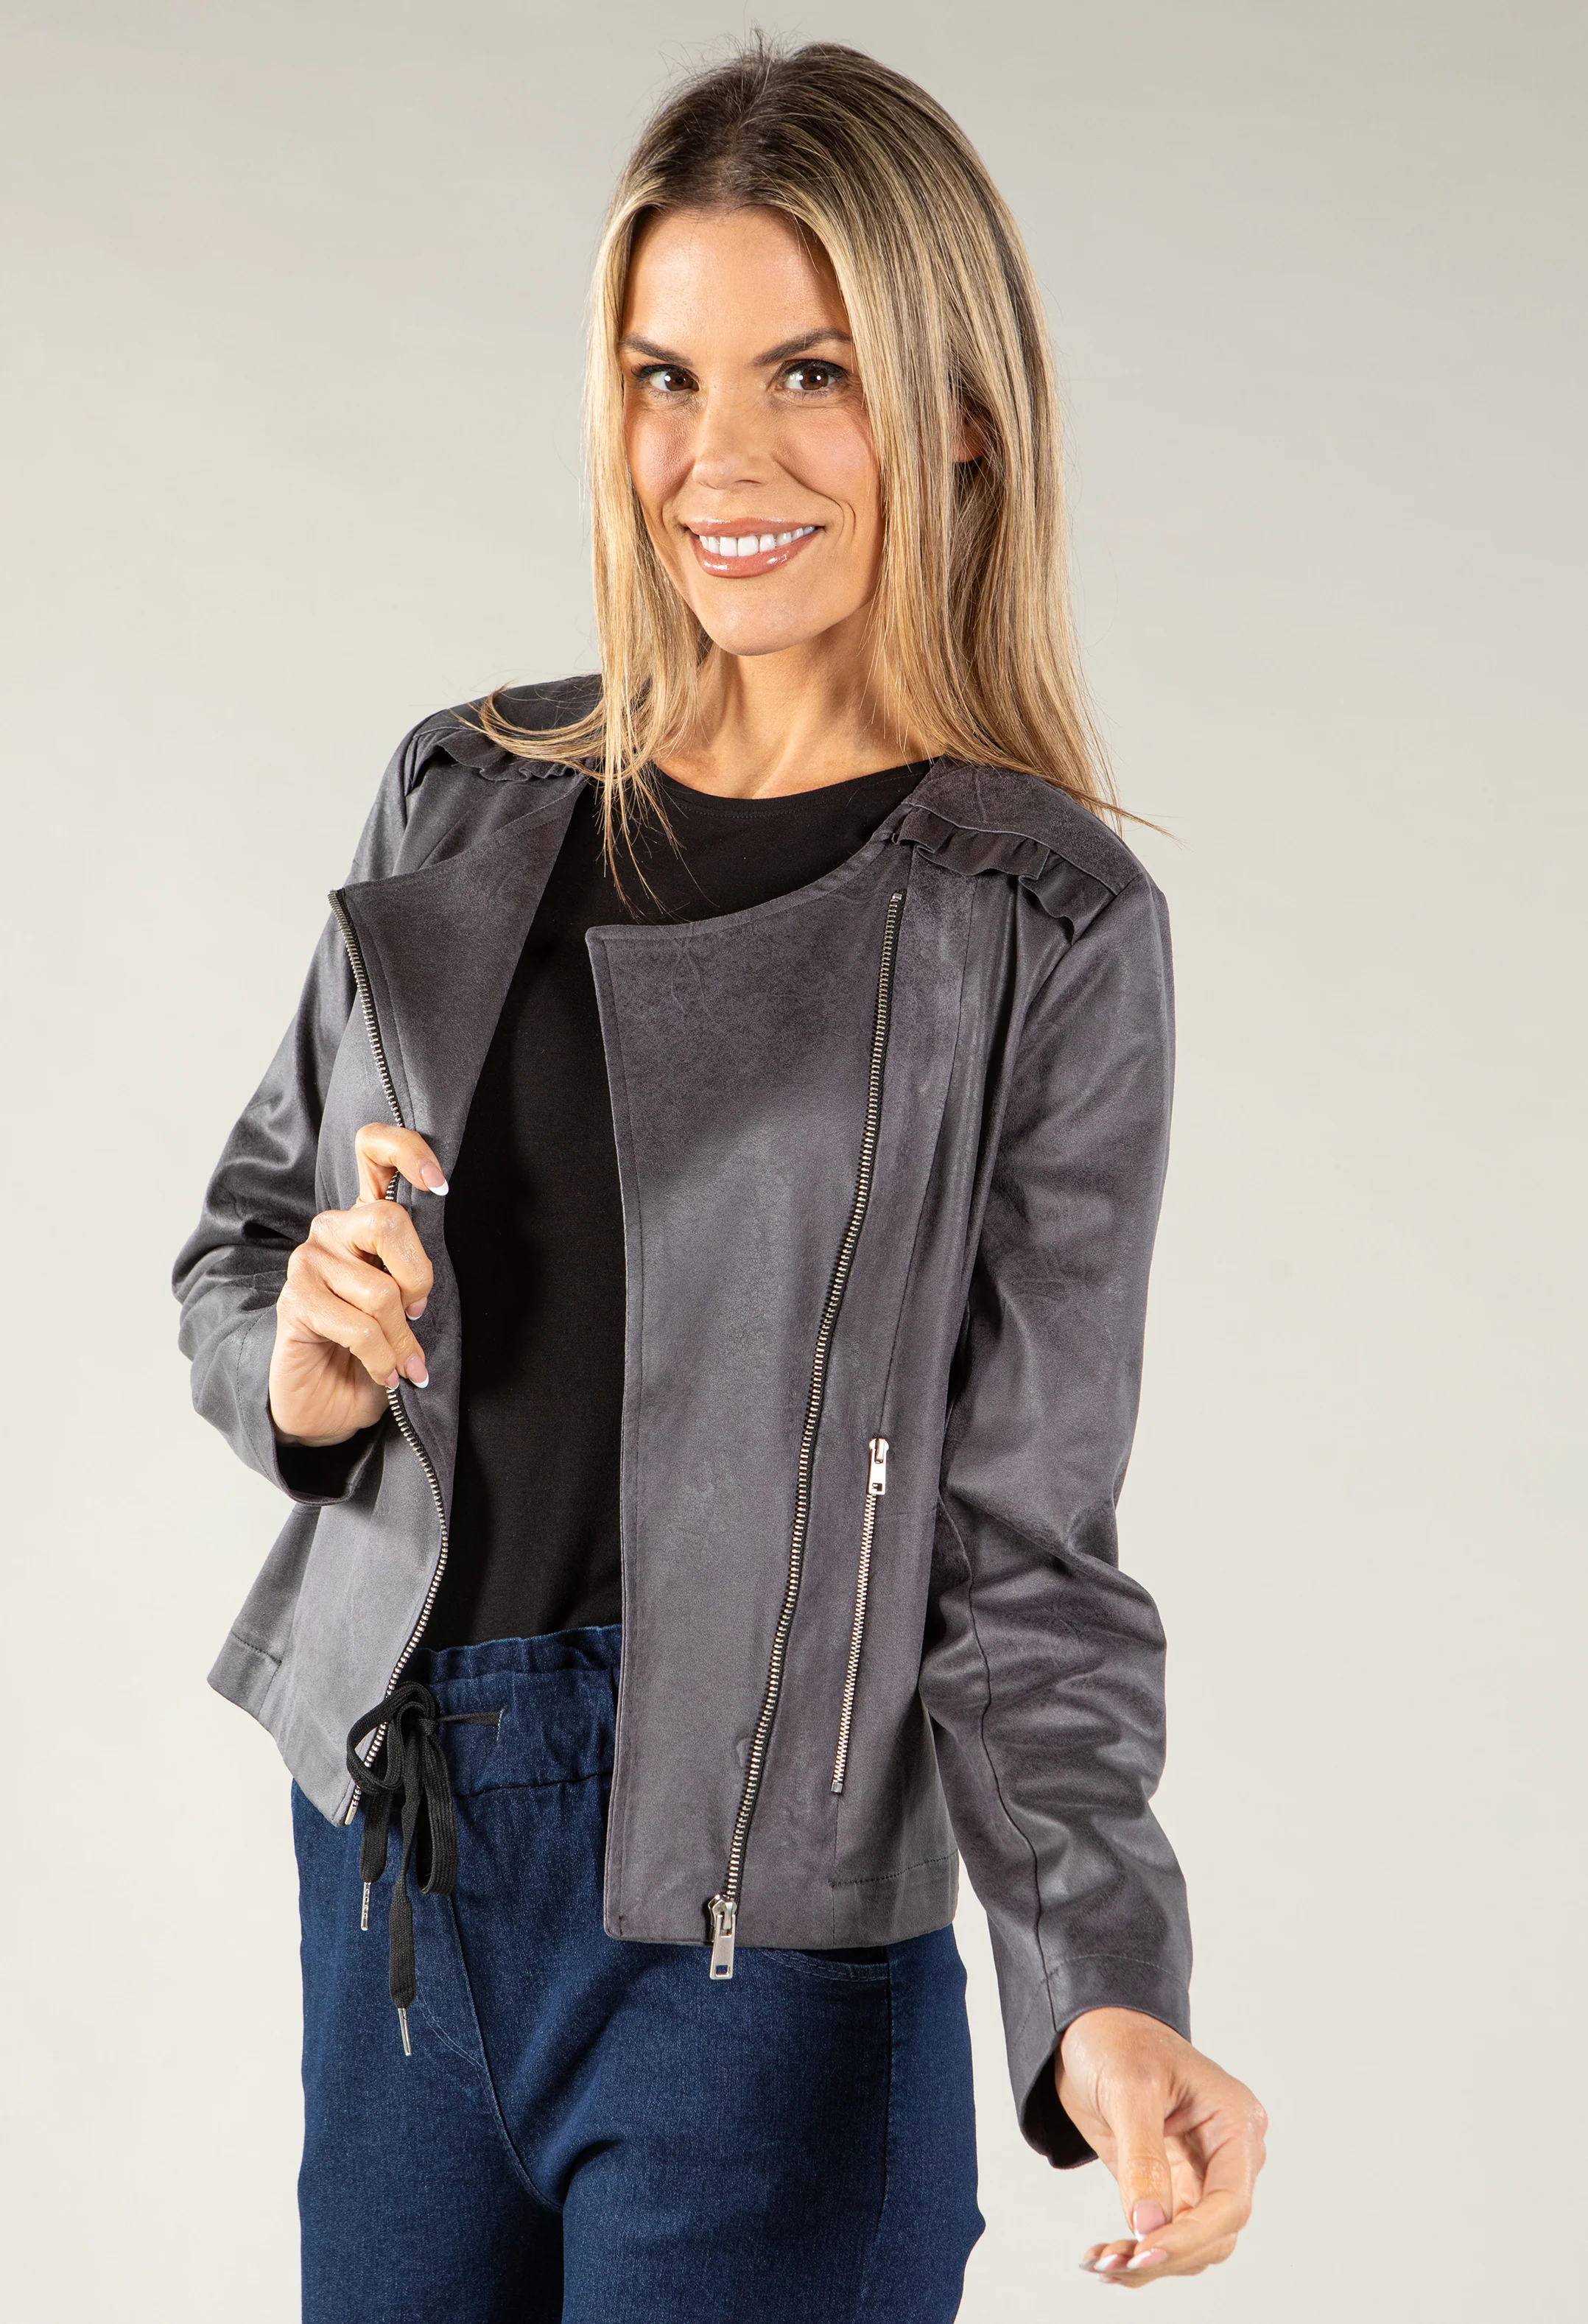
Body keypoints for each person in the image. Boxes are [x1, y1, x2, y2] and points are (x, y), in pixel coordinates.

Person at [175, 38, 1266, 2324]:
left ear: (959, 416)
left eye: (810, 373)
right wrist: (303, 1368)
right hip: (391, 1886)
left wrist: (1099, 1983)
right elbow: (247, 1244)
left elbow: (1024, 1547)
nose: (720, 456)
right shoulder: (464, 795)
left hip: (759, 1967)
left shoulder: (1031, 921)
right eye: (665, 375)